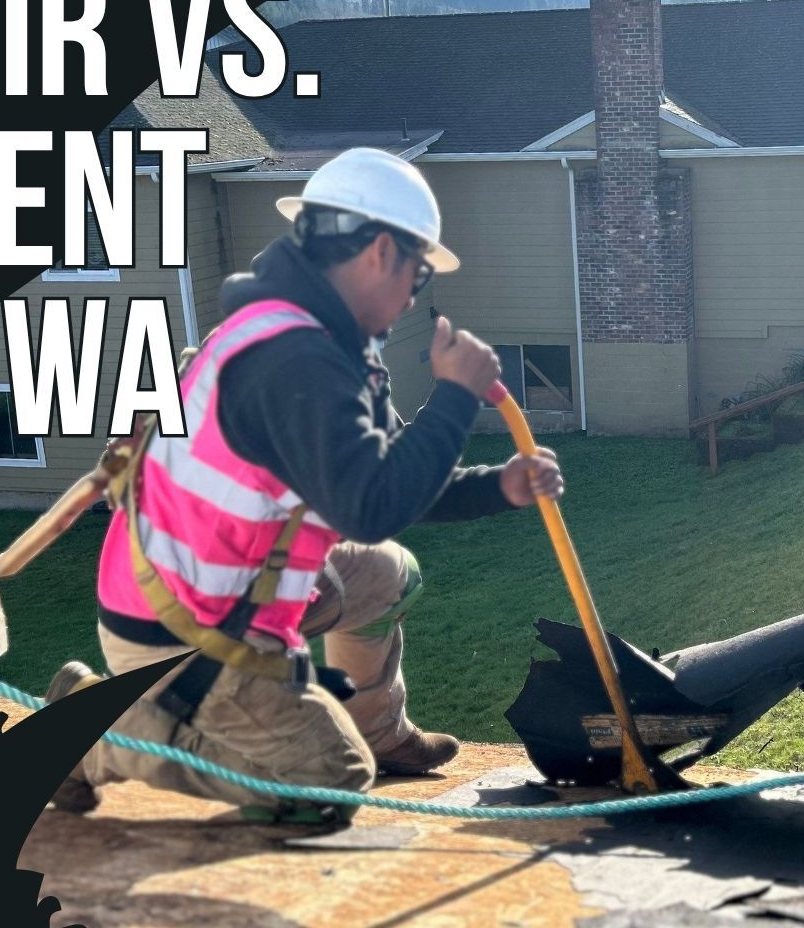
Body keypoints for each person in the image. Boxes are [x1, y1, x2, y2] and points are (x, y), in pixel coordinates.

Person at [47, 147, 566, 824]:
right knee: (326, 784)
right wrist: (454, 398)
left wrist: (500, 487)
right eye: (415, 277)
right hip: (179, 633)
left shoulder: (324, 344)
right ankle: (91, 736)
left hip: (230, 586)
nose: (414, 297)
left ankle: (379, 733)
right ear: (381, 252)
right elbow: (370, 506)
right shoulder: (293, 359)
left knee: (387, 575)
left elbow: (384, 483)